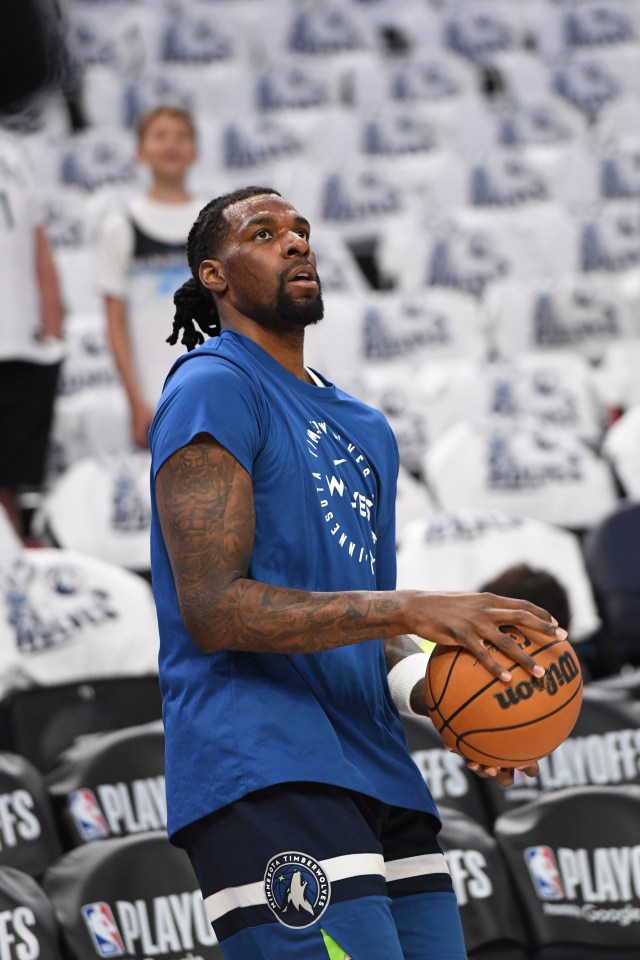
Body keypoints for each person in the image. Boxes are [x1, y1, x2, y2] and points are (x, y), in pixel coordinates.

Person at [149, 186, 569, 960]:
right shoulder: (215, 384)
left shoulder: (364, 427)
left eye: (302, 230)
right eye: (266, 232)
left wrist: (442, 696)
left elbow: (364, 636)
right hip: (264, 764)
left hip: (378, 768)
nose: (297, 243)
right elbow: (214, 608)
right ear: (213, 274)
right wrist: (411, 608)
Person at [95, 105, 202, 447]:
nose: (172, 144)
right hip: (155, 395)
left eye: (182, 136)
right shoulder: (120, 226)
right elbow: (114, 322)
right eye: (160, 135)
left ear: (195, 151)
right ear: (140, 152)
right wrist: (135, 401)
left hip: (216, 389)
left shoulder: (217, 223)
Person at [0, 127, 64, 539]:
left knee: (11, 478)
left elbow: (37, 239)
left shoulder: (11, 148)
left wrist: (53, 327)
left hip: (21, 342)